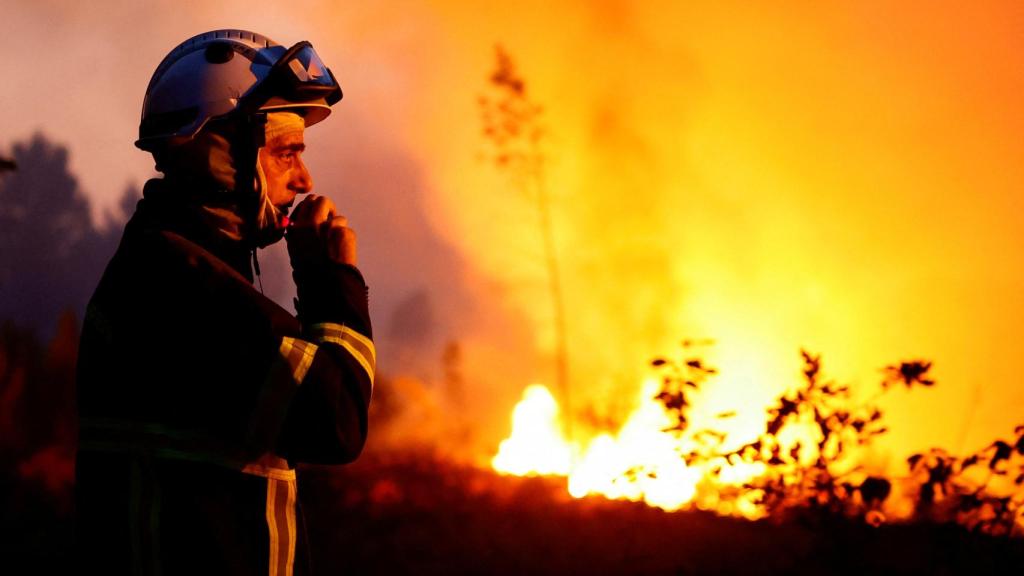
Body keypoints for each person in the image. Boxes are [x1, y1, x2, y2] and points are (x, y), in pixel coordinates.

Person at [75, 29, 374, 575]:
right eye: (286, 154)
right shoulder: (179, 290)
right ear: (215, 152)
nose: (305, 180)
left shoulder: (173, 267)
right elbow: (337, 422)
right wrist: (332, 281)